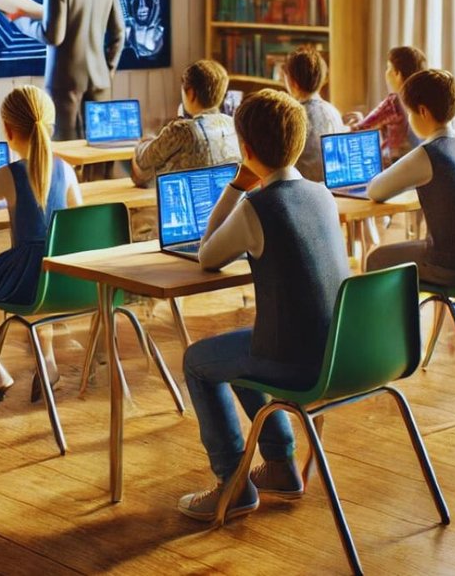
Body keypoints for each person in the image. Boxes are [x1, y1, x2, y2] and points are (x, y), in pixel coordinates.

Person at [178, 90, 350, 521]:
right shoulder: (323, 195)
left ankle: (231, 483)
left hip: (296, 362)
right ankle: (278, 465)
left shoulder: (257, 206)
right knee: (243, 353)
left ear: (247, 148)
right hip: (342, 351)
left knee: (200, 361)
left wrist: (237, 185)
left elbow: (208, 255)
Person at [0, 86, 83, 414]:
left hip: (26, 271)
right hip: (63, 275)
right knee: (42, 299)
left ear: (8, 131)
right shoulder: (66, 170)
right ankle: (48, 365)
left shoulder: (6, 175)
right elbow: (76, 217)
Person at [363, 69, 455, 287]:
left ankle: (398, 321)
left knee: (376, 259)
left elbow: (375, 190)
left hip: (449, 267)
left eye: (410, 114)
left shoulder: (428, 154)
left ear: (423, 112)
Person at [7, 0, 126, 140]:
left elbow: (53, 35)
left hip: (64, 82)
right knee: (99, 150)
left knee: (65, 151)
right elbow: (119, 33)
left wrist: (21, 21)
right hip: (100, 79)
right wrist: (107, 69)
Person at [130, 60, 239, 187]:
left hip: (183, 202)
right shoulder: (233, 125)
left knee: (143, 164)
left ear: (191, 93)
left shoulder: (181, 129)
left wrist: (145, 141)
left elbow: (143, 161)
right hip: (224, 201)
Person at [345, 45, 427, 164]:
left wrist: (353, 122)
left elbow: (358, 130)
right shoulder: (426, 99)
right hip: (418, 167)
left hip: (394, 169)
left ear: (398, 74)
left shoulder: (394, 103)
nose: (386, 73)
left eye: (389, 68)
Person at [282, 48, 345, 182]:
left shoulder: (291, 117)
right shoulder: (333, 111)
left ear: (293, 82)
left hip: (303, 192)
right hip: (332, 190)